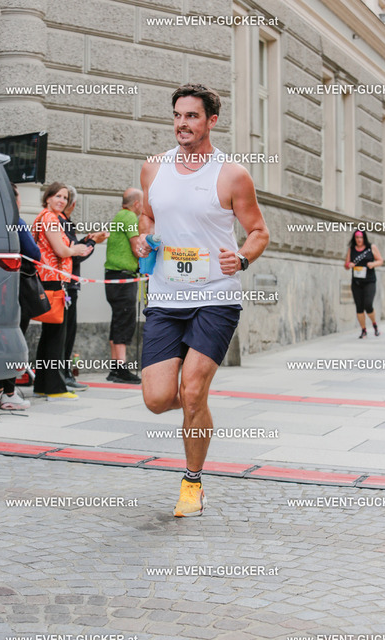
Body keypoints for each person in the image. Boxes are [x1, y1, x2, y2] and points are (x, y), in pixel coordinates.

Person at [138, 83, 269, 517]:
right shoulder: (153, 168)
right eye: (178, 115)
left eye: (192, 116)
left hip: (215, 296)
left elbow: (258, 231)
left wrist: (243, 258)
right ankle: (197, 407)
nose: (182, 124)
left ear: (211, 120)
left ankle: (192, 483)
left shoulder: (231, 174)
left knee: (192, 391)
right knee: (158, 399)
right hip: (165, 296)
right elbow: (147, 217)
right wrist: (143, 238)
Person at [32, 182, 91, 398]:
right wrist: (76, 249)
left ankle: (42, 385)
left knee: (49, 335)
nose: (62, 201)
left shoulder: (45, 217)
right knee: (57, 336)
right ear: (48, 197)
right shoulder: (50, 218)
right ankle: (55, 388)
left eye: (65, 198)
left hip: (50, 279)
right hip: (54, 281)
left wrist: (70, 249)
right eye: (58, 196)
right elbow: (61, 250)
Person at [0, 183, 39, 410]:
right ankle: (9, 393)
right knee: (12, 338)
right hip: (12, 290)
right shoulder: (15, 221)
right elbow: (34, 253)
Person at [57, 185, 108, 391]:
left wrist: (86, 241)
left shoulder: (59, 222)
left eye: (64, 197)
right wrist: (92, 242)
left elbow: (72, 249)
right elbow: (73, 255)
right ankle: (62, 375)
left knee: (63, 332)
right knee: (65, 332)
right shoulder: (61, 223)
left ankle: (59, 375)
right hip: (66, 284)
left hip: (64, 283)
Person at [104, 188, 142, 384]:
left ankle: (115, 368)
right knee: (125, 322)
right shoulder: (129, 217)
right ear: (136, 204)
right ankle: (121, 369)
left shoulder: (120, 216)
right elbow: (137, 248)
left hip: (113, 277)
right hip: (124, 277)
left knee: (117, 320)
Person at [344, 229, 383, 339]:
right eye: (357, 237)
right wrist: (349, 265)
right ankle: (363, 330)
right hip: (356, 282)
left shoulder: (371, 247)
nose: (359, 240)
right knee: (359, 307)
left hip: (369, 281)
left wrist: (373, 264)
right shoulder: (351, 249)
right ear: (354, 239)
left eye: (361, 237)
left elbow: (380, 260)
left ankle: (374, 324)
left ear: (364, 238)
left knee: (368, 304)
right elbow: (346, 264)